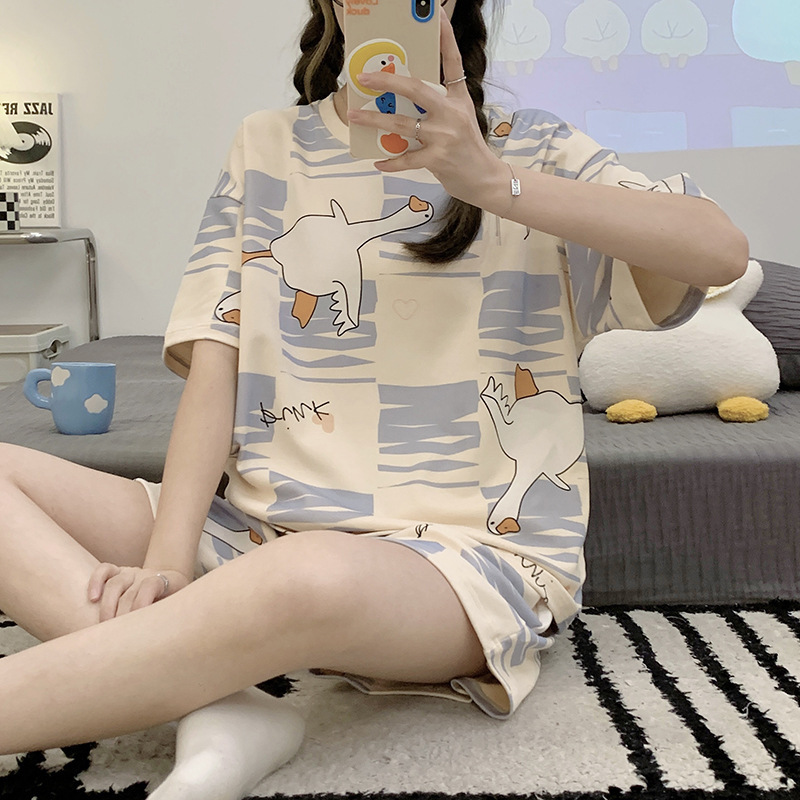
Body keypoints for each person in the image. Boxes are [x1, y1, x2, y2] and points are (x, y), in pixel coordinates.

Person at [0, 1, 749, 798]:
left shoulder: (533, 147)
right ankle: (220, 707)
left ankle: (174, 675)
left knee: (305, 575)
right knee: (276, 564)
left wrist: (493, 182)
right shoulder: (266, 143)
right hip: (256, 531)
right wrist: (166, 565)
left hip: (461, 562)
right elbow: (218, 363)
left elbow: (719, 251)